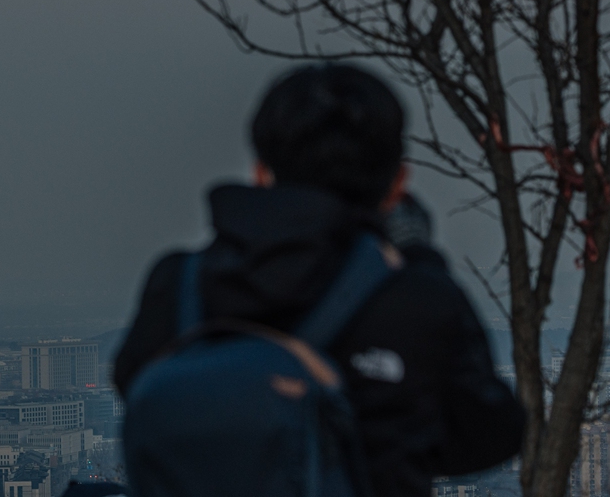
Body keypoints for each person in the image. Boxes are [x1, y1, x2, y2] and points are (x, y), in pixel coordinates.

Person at [114, 64, 524, 497]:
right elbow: (490, 435)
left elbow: (137, 390)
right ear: (397, 183)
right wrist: (419, 259)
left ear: (261, 172)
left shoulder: (181, 286)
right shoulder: (416, 300)